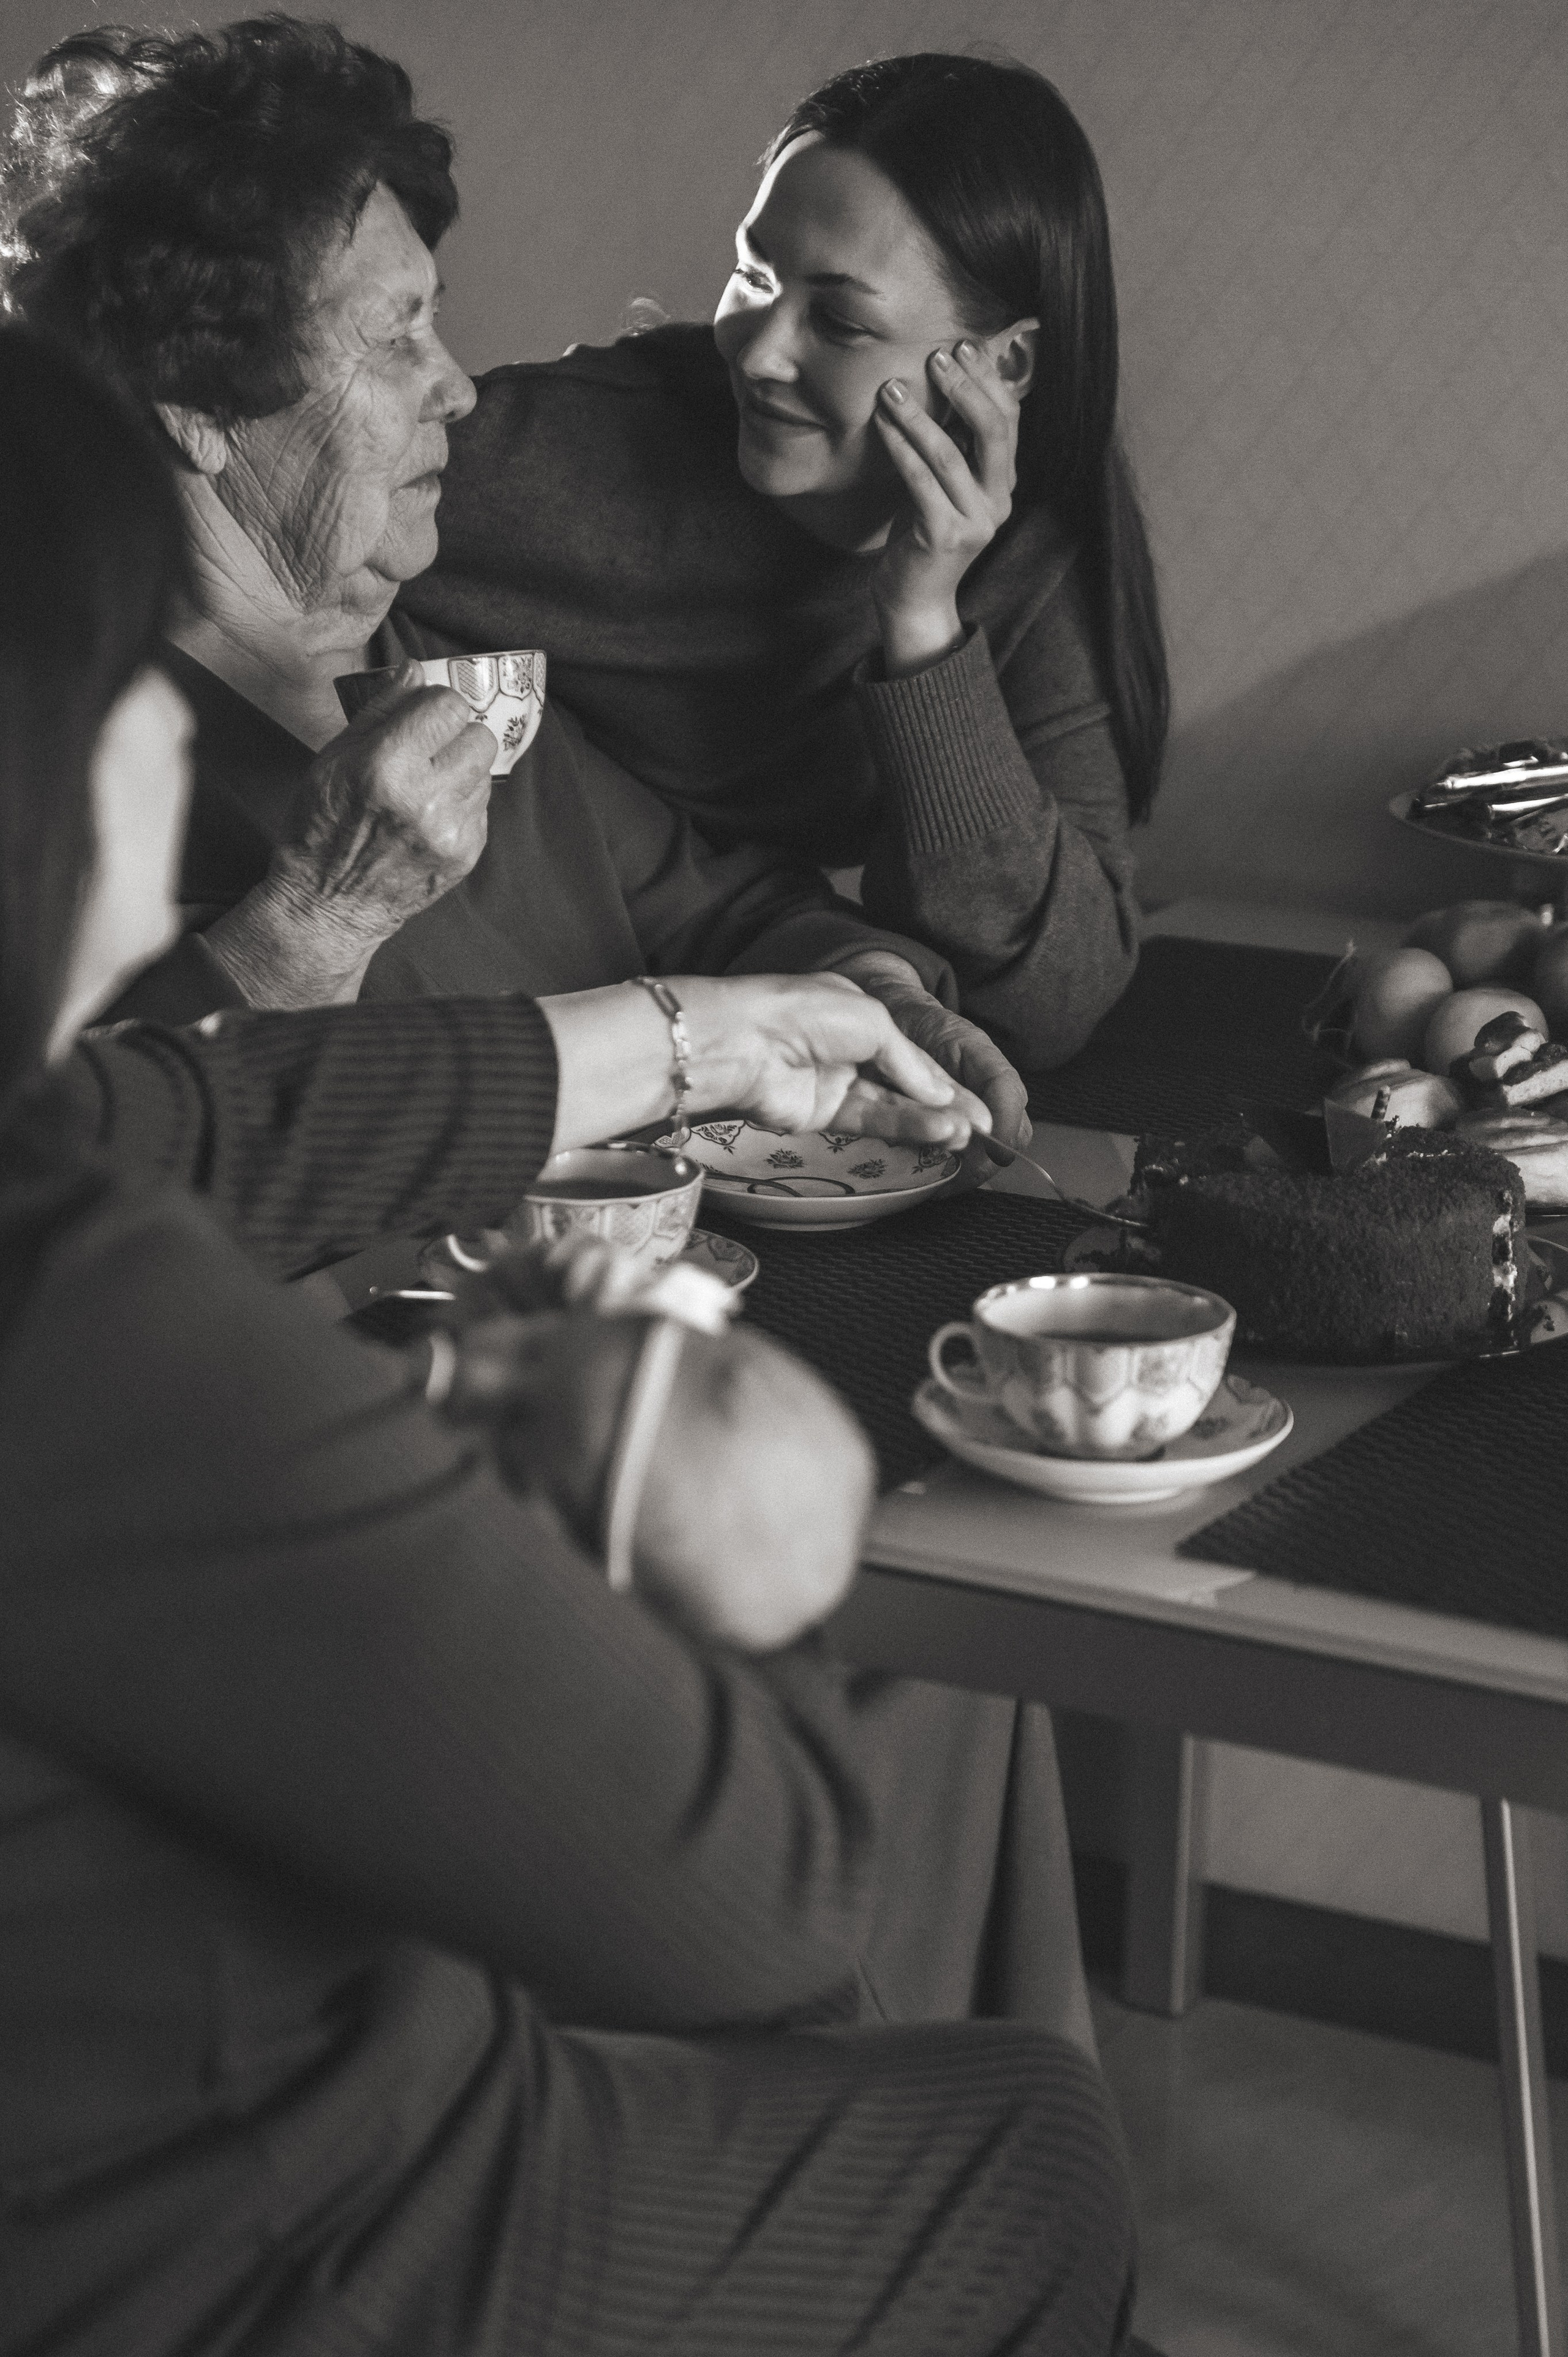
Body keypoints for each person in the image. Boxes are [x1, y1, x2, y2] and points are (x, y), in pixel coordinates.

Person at [0, 323, 1147, 2356]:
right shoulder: (91, 1329)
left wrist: (700, 1030)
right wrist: (701, 1482)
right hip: (249, 2245)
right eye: (118, 687)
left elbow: (177, 1115)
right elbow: (763, 1906)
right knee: (1024, 2135)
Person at [0, 20, 1026, 1139]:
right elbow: (57, 1183)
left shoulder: (442, 671)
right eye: (395, 340)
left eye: (436, 318)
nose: (461, 392)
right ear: (192, 405)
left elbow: (731, 910)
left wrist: (879, 994)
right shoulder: (62, 755)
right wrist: (320, 918)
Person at [406, 51, 1170, 1073]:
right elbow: (244, 509)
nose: (760, 353)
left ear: (1003, 365)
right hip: (520, 1019)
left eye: (841, 322)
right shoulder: (566, 453)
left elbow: (1048, 1002)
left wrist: (923, 631)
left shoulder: (1028, 558)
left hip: (769, 1035)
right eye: (753, 276)